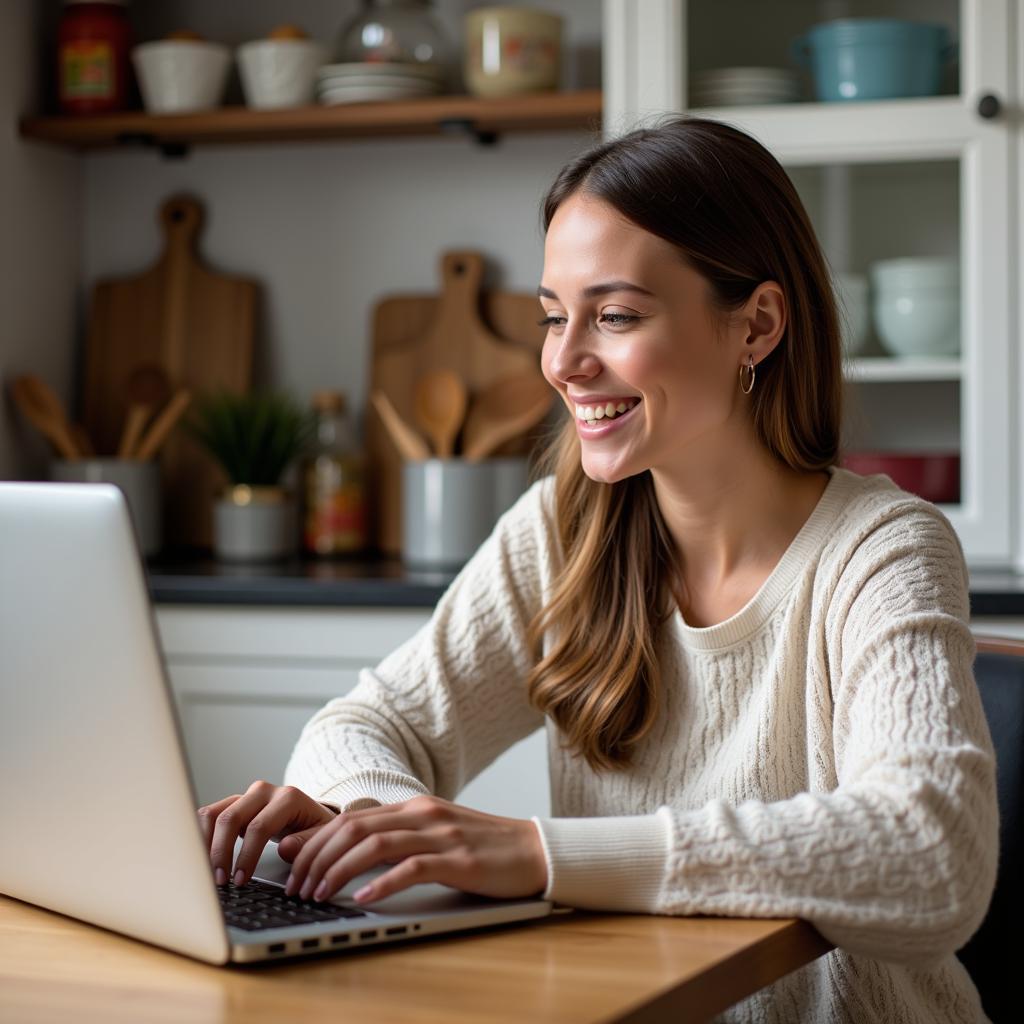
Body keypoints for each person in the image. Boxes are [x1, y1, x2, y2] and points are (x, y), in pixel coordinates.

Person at [198, 116, 997, 1022]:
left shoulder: (883, 548)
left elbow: (933, 855)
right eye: (552, 316)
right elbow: (359, 728)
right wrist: (400, 836)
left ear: (758, 326)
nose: (564, 362)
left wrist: (540, 856)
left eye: (614, 316)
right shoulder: (565, 530)